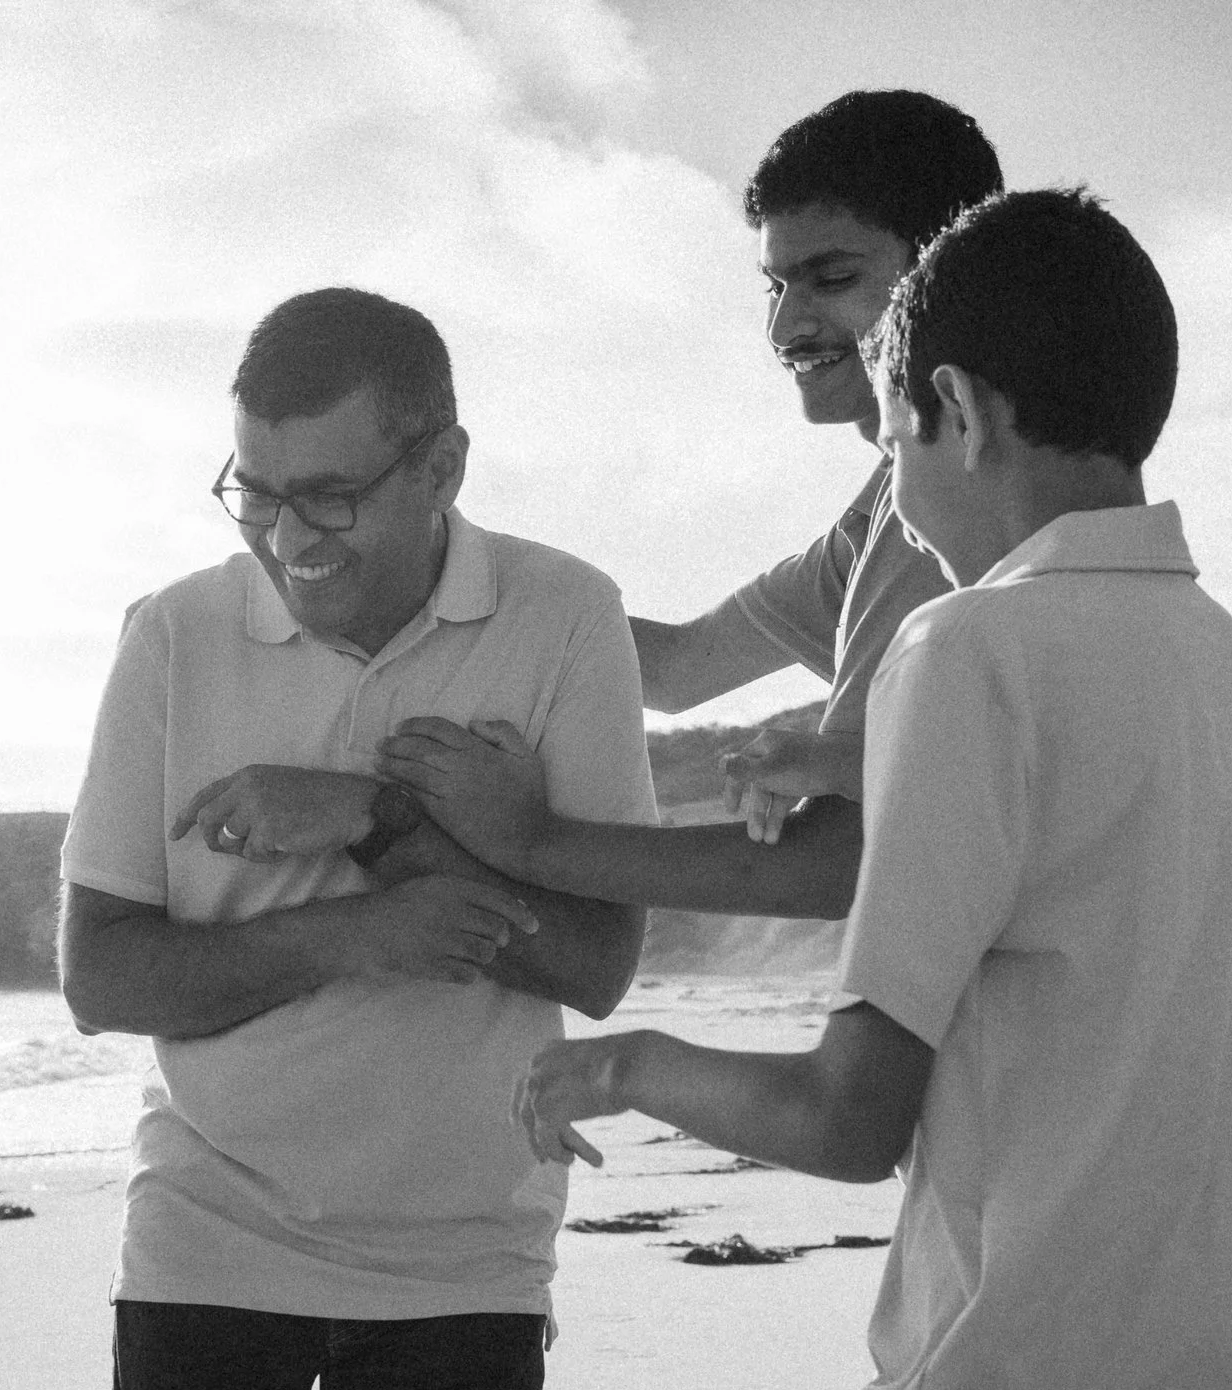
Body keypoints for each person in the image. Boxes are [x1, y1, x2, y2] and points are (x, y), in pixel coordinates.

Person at [512, 190, 1232, 1390]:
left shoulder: (966, 646)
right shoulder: (1224, 658)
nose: (894, 484)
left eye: (891, 442)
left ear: (953, 407)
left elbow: (848, 1113)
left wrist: (620, 1063)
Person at [57, 287, 655, 1390]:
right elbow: (102, 975)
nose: (283, 539)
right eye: (252, 495)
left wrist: (374, 822)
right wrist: (352, 932)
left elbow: (602, 959)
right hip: (208, 1227)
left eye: (325, 499)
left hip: (465, 1245)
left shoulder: (567, 615)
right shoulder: (170, 635)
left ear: (442, 466)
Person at [375, 90, 998, 913]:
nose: (784, 328)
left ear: (946, 277)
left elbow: (837, 863)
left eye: (833, 278)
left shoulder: (949, 509)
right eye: (774, 286)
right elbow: (677, 667)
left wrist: (530, 840)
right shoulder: (882, 512)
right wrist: (416, 572)